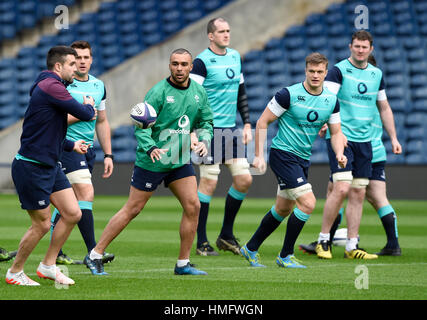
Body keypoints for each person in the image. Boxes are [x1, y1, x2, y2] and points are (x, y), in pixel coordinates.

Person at [84, 48, 213, 276]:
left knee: (193, 206)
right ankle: (94, 254)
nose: (179, 68)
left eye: (184, 64)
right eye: (175, 64)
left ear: (191, 67)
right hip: (152, 160)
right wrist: (151, 146)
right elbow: (141, 127)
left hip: (179, 160)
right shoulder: (158, 92)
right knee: (133, 209)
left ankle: (183, 263)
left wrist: (204, 139)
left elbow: (205, 121)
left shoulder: (198, 92)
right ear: (169, 66)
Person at [240, 53, 347, 269]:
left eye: (320, 72)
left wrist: (339, 153)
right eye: (311, 71)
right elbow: (262, 122)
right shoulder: (288, 94)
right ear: (305, 71)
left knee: (282, 209)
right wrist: (259, 155)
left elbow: (336, 133)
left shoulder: (331, 100)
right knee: (308, 203)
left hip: (302, 159)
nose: (315, 75)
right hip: (283, 155)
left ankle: (250, 248)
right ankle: (285, 255)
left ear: (326, 73)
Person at [5, 46, 96, 286]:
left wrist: (70, 145)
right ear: (58, 66)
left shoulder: (48, 86)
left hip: (49, 165)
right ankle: (15, 272)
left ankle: (47, 265)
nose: (76, 69)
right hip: (32, 167)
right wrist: (89, 105)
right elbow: (84, 113)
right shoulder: (52, 86)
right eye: (71, 65)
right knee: (42, 223)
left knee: (73, 213)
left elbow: (46, 129)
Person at [299, 54, 402, 256]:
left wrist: (326, 125)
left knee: (340, 190)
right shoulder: (372, 100)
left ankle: (325, 239)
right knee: (365, 195)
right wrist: (394, 138)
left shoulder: (359, 100)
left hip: (358, 148)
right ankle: (391, 244)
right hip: (375, 150)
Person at [189, 17, 253, 256]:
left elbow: (241, 92)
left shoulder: (236, 57)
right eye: (221, 31)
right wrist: (194, 132)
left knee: (244, 180)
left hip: (231, 130)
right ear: (211, 36)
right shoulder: (201, 62)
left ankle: (226, 235)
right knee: (209, 182)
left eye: (228, 30)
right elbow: (193, 98)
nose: (226, 34)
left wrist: (247, 122)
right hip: (208, 130)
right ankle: (201, 241)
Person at [50, 41, 115, 268]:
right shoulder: (62, 85)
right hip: (66, 146)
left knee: (67, 202)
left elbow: (103, 120)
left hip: (88, 150)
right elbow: (52, 121)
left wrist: (108, 154)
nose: (82, 61)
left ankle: (55, 252)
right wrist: (83, 113)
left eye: (86, 57)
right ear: (70, 61)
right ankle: (93, 252)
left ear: (92, 59)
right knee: (86, 193)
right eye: (77, 58)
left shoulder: (99, 85)